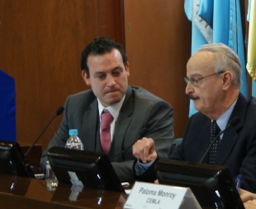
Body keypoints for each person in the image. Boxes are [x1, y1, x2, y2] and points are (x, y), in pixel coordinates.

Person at [133, 43, 256, 193]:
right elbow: (175, 171)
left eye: (195, 80)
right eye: (188, 81)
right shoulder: (197, 122)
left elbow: (249, 187)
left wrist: (187, 187)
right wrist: (150, 161)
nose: (188, 90)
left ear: (225, 80)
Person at [47, 37, 174, 182]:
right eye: (101, 76)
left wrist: (86, 170)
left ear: (127, 68)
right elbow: (49, 158)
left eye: (116, 73)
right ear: (86, 77)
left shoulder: (154, 109)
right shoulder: (75, 106)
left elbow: (156, 165)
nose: (111, 83)